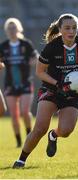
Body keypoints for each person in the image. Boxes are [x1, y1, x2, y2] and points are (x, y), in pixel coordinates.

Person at [13, 13, 78, 168]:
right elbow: (39, 72)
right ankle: (21, 160)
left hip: (73, 93)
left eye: (74, 28)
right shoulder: (51, 47)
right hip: (51, 89)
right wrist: (58, 84)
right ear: (60, 29)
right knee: (39, 129)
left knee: (66, 131)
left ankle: (54, 135)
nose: (71, 31)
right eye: (67, 28)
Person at [0, 18, 39, 147]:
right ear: (6, 31)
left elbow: (36, 58)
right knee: (14, 115)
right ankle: (18, 141)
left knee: (24, 112)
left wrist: (33, 61)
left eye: (13, 28)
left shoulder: (26, 44)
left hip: (26, 83)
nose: (11, 30)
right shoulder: (3, 46)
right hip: (10, 84)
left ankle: (29, 135)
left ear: (19, 29)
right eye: (9, 28)